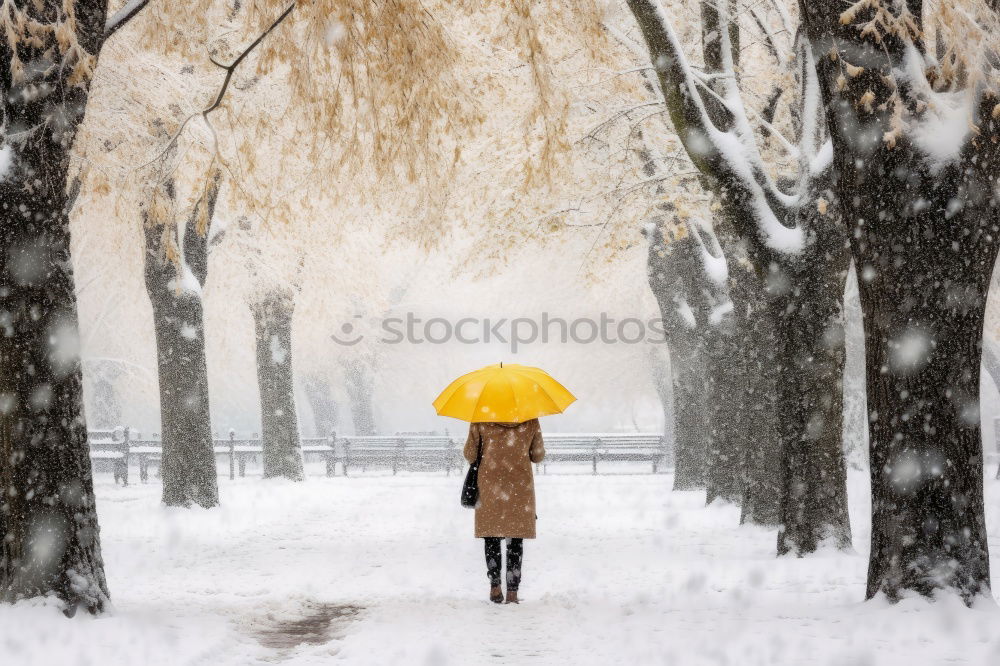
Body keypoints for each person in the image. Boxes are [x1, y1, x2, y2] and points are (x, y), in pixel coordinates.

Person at [463, 418, 545, 604]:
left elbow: (470, 454)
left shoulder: (480, 420)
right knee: (515, 539)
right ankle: (513, 592)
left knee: (491, 536)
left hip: (489, 485)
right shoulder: (530, 420)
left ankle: (495, 585)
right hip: (520, 486)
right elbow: (538, 456)